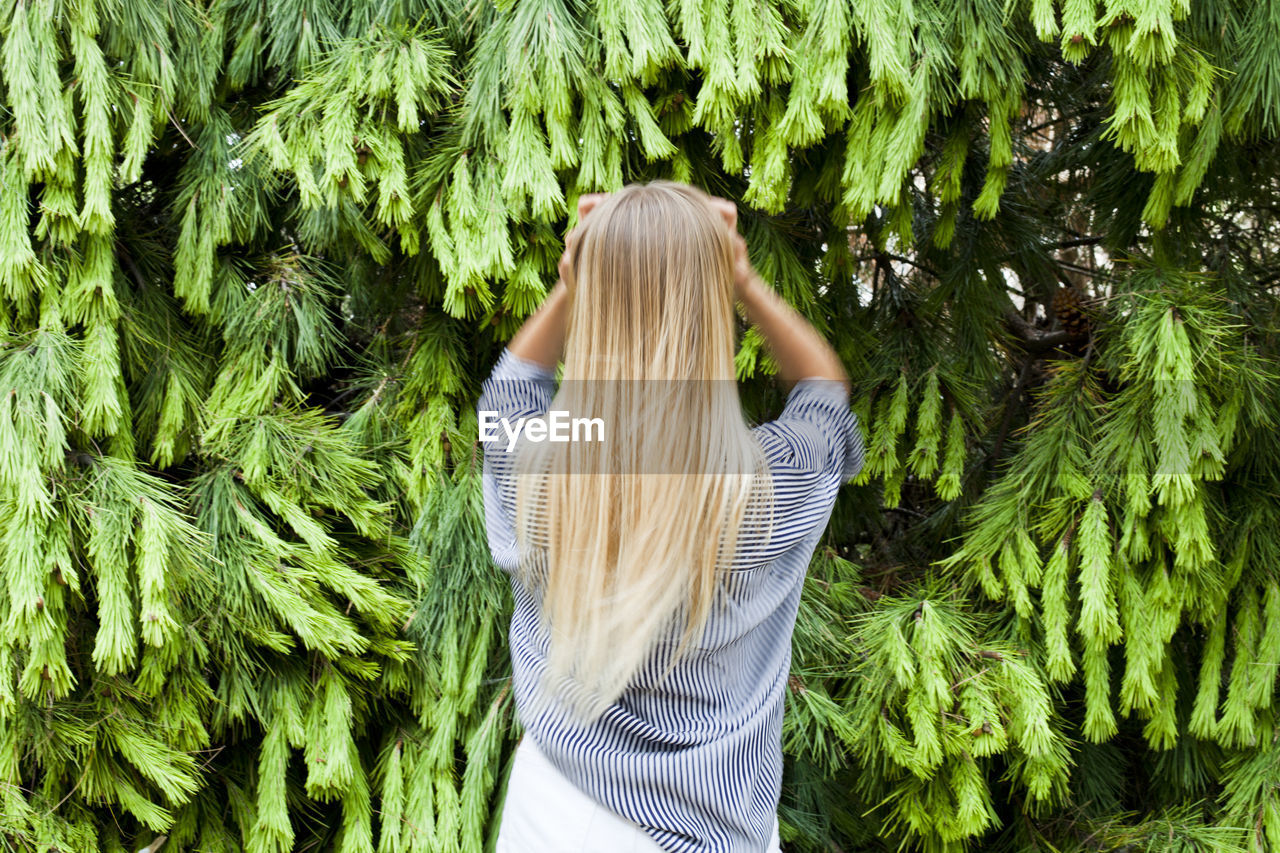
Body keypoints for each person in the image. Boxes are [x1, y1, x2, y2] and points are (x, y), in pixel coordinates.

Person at [478, 181, 864, 853]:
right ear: (712, 311)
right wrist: (741, 277)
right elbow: (823, 391)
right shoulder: (769, 483)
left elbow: (507, 390)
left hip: (554, 814)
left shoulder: (540, 468)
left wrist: (578, 279)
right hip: (711, 834)